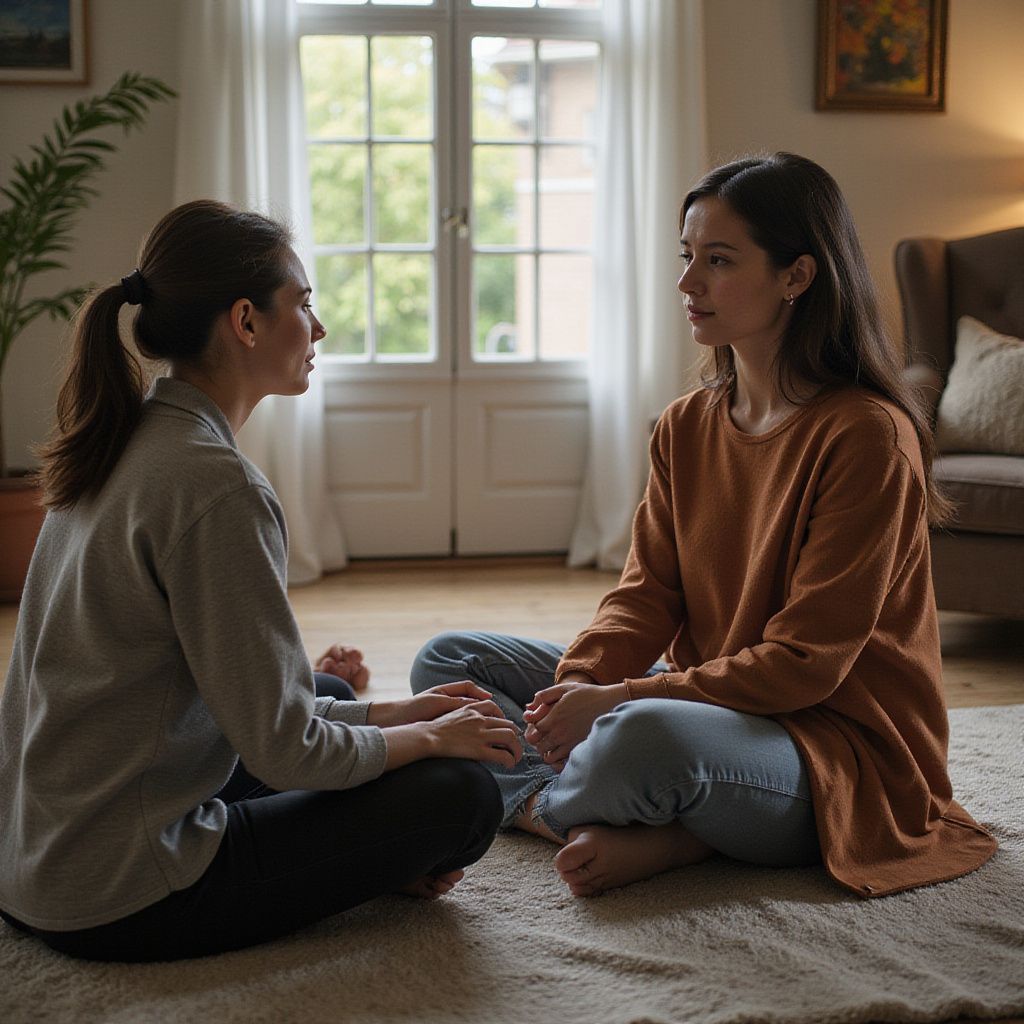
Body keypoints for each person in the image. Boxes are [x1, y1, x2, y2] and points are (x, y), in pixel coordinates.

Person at [411, 152, 997, 900]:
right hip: (715, 701)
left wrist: (617, 704)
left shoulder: (867, 436)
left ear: (798, 276)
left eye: (718, 261)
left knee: (636, 740)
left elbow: (806, 666)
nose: (688, 283)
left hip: (836, 746)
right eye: (688, 257)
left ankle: (631, 821)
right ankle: (578, 811)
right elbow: (643, 595)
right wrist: (580, 688)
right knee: (450, 665)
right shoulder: (686, 425)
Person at [0, 200, 521, 962]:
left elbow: (261, 720)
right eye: (303, 304)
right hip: (120, 894)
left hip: (36, 860)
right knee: (459, 794)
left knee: (338, 701)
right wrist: (430, 735)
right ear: (245, 321)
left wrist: (395, 712)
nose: (318, 329)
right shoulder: (217, 487)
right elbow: (287, 753)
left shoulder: (124, 435)